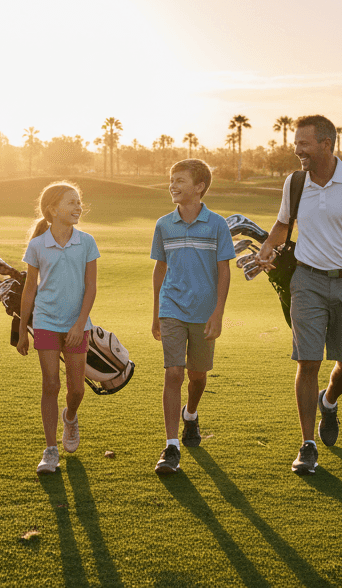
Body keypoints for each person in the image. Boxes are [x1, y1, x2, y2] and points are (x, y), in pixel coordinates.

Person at [256, 114, 342, 475]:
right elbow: (283, 224)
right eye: (295, 143)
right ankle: (307, 445)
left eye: (303, 143)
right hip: (307, 281)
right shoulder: (296, 182)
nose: (296, 149)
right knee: (308, 362)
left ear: (326, 144)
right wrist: (267, 248)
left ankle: (329, 401)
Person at [150, 159, 234, 476]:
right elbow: (159, 269)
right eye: (171, 179)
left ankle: (191, 413)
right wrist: (156, 312)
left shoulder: (216, 225)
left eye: (180, 180)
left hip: (204, 312)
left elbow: (224, 270)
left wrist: (218, 312)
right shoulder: (163, 225)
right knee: (173, 373)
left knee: (196, 376)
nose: (173, 185)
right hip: (172, 307)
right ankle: (171, 447)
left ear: (199, 187)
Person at [16, 182, 100, 475]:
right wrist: (21, 328)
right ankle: (51, 450)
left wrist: (79, 324)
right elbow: (29, 289)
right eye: (71, 202)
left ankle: (71, 417)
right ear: (53, 209)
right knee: (51, 384)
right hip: (46, 322)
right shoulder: (38, 245)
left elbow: (91, 288)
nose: (78, 207)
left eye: (79, 202)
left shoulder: (87, 242)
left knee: (76, 389)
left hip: (77, 325)